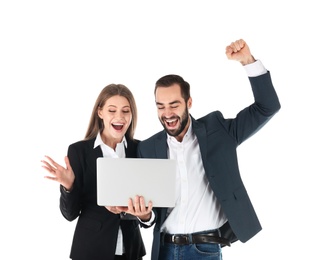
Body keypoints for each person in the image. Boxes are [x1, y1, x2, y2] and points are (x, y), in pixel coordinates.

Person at [129, 39, 281, 260]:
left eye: (174, 105)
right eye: (160, 106)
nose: (167, 113)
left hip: (205, 250)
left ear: (189, 103)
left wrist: (248, 61)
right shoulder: (148, 148)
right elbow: (152, 215)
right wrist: (144, 216)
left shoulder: (218, 130)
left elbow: (267, 106)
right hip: (163, 251)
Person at [41, 84, 147, 260]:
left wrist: (142, 213)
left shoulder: (139, 149)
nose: (119, 117)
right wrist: (69, 186)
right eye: (112, 110)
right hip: (90, 249)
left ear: (131, 115)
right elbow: (70, 215)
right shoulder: (79, 151)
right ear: (100, 112)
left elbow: (149, 206)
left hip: (131, 250)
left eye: (125, 111)